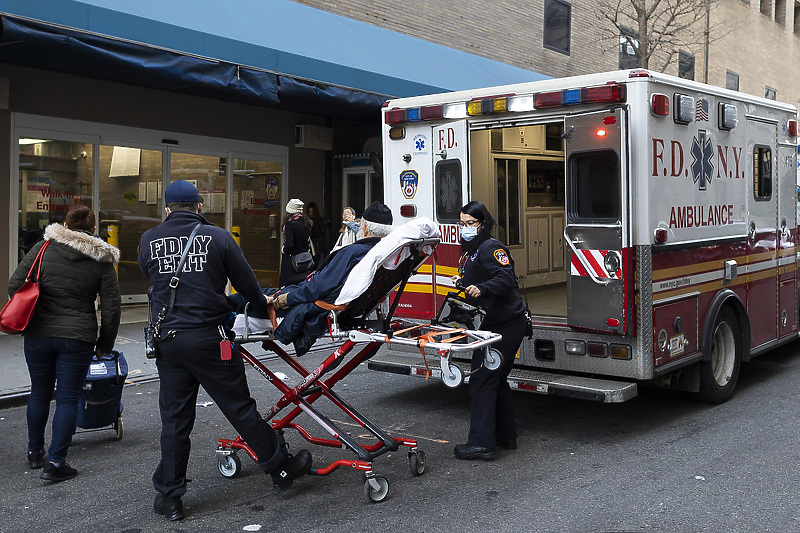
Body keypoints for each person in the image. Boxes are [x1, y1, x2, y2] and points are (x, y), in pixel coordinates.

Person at [138, 180, 312, 522]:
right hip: (210, 339)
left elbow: (149, 273)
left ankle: (170, 497)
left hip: (169, 342)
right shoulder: (218, 238)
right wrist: (265, 304)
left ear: (167, 209)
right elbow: (248, 287)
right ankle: (279, 469)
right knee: (239, 409)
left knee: (175, 420)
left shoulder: (148, 239)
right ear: (200, 207)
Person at [9, 204, 121, 482]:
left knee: (39, 393)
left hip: (38, 334)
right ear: (93, 229)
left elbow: (15, 285)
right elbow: (112, 306)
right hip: (77, 336)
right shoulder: (101, 259)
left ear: (66, 226)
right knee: (68, 397)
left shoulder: (43, 248)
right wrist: (105, 342)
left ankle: (35, 453)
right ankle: (56, 463)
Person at [451, 200, 527, 461]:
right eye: (462, 224)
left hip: (505, 325)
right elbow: (484, 276)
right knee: (496, 380)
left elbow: (505, 277)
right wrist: (464, 282)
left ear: (483, 224)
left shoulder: (491, 247)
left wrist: (482, 289)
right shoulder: (473, 250)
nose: (466, 228)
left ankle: (482, 445)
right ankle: (506, 438)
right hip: (497, 323)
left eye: (471, 224)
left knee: (482, 381)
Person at [279, 198, 312, 287]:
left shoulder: (289, 224)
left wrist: (284, 250)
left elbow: (289, 245)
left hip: (291, 261)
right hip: (304, 259)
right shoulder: (306, 222)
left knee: (287, 285)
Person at [306, 201, 325, 266]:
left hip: (316, 247)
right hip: (307, 247)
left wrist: (311, 230)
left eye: (312, 212)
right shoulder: (305, 221)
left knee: (315, 265)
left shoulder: (319, 221)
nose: (310, 214)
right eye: (309, 212)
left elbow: (321, 232)